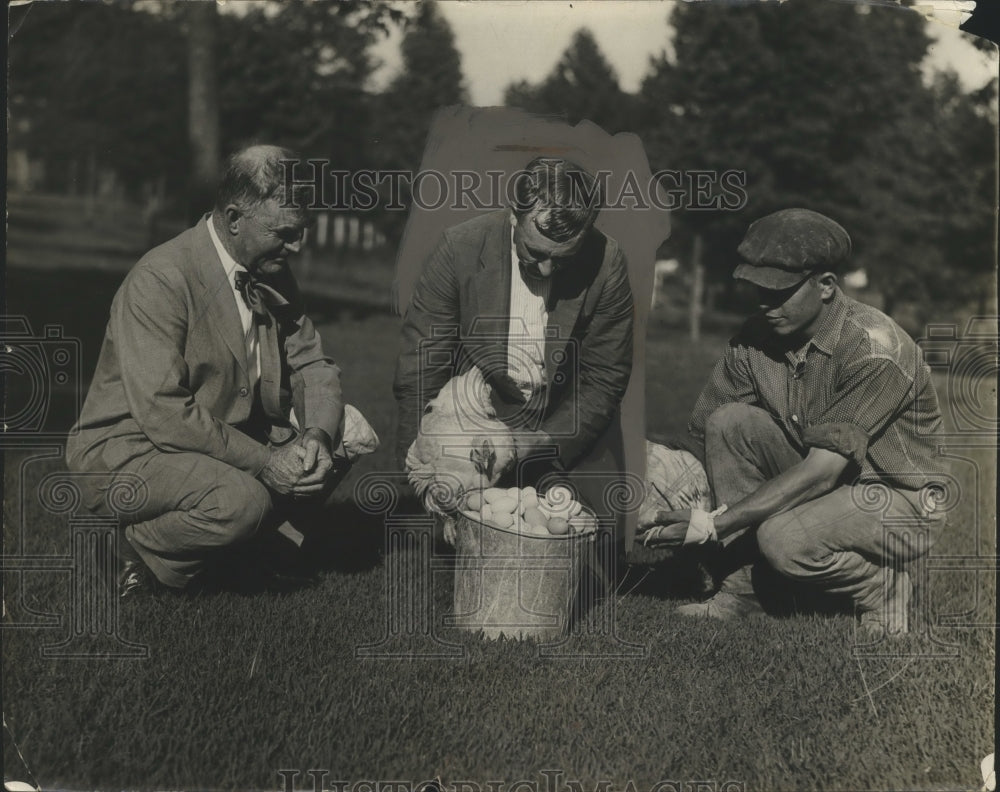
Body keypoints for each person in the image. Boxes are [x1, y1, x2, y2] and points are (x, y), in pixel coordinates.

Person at [66, 145, 372, 597]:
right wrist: (268, 462)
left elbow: (314, 364)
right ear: (233, 219)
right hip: (132, 448)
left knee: (350, 429)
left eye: (302, 231)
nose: (297, 247)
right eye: (285, 233)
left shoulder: (272, 269)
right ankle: (130, 549)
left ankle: (258, 552)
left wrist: (316, 439)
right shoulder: (161, 278)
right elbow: (163, 414)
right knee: (240, 502)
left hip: (222, 433)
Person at [638, 208, 948, 635]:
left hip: (900, 499)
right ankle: (744, 591)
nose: (766, 304)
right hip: (829, 477)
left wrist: (712, 524)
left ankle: (883, 588)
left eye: (779, 291)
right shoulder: (753, 339)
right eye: (756, 290)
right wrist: (646, 477)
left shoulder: (875, 348)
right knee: (730, 422)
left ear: (826, 286)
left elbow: (821, 474)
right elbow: (703, 439)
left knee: (782, 539)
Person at [393, 157, 634, 553]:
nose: (546, 268)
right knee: (469, 521)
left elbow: (604, 380)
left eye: (563, 258)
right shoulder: (460, 247)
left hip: (563, 417)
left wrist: (536, 442)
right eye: (535, 251)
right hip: (481, 413)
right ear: (514, 216)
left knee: (593, 539)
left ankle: (547, 484)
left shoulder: (607, 263)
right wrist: (421, 464)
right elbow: (422, 362)